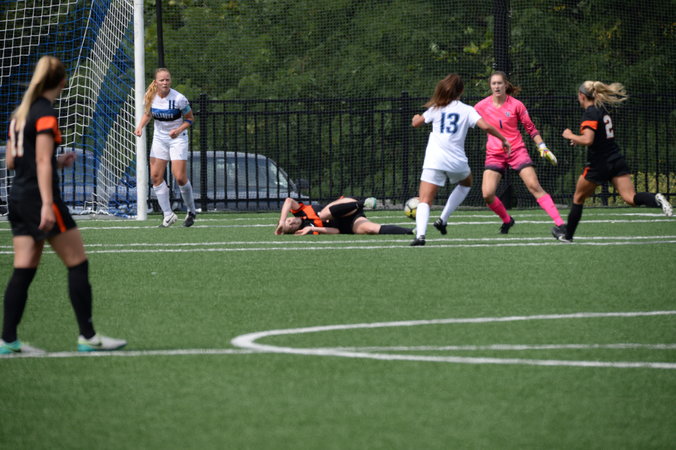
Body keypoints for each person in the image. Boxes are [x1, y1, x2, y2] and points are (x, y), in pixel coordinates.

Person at [1, 56, 126, 354]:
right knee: (77, 263)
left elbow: (12, 161)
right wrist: (47, 203)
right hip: (39, 199)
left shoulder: (20, 113)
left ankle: (7, 340)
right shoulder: (45, 113)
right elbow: (40, 160)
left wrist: (56, 161)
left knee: (23, 269)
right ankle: (88, 337)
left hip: (18, 197)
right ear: (62, 81)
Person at [556, 81, 673, 242]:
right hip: (616, 159)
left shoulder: (590, 113)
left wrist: (570, 135)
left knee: (578, 198)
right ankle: (656, 199)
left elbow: (588, 139)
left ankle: (567, 236)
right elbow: (597, 137)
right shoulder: (602, 111)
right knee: (631, 198)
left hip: (599, 164)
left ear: (582, 96)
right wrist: (578, 139)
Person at [410, 73, 511, 246]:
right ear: (461, 91)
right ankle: (443, 219)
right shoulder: (467, 110)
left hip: (434, 160)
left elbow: (416, 123)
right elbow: (486, 126)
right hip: (456, 161)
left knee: (425, 200)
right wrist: (503, 139)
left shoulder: (436, 107)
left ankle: (420, 236)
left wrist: (415, 117)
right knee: (466, 183)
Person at [475, 71, 566, 236]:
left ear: (505, 85)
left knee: (534, 186)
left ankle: (561, 224)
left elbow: (531, 128)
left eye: (499, 83)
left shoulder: (516, 105)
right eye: (494, 83)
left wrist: (542, 146)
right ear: (490, 86)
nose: (497, 86)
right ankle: (507, 220)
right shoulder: (481, 106)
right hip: (494, 154)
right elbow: (465, 119)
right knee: (487, 194)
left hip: (516, 150)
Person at [134, 68, 197, 228]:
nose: (165, 82)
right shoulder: (150, 97)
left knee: (179, 177)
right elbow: (148, 114)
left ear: (170, 81)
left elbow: (190, 119)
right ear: (156, 82)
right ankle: (168, 215)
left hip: (178, 139)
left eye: (167, 79)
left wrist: (178, 130)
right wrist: (140, 126)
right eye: (161, 80)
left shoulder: (179, 99)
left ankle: (191, 211)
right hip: (159, 139)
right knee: (155, 177)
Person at [275, 196, 413, 235]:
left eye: (289, 220)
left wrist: (281, 221)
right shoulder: (307, 229)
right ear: (295, 231)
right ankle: (411, 231)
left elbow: (288, 201)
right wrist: (313, 228)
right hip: (347, 222)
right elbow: (336, 231)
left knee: (323, 215)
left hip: (347, 206)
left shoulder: (299, 210)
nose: (292, 222)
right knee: (371, 229)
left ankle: (363, 203)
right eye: (290, 226)